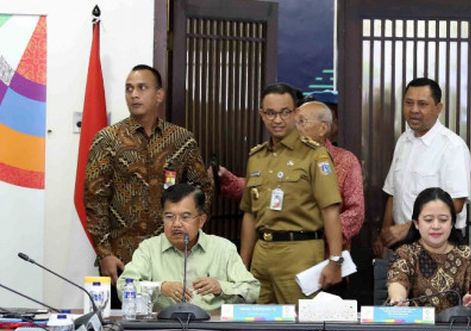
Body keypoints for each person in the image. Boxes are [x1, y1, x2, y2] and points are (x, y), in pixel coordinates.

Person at [84, 64, 213, 295]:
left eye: (142, 88)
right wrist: (105, 254)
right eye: (129, 89)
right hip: (122, 259)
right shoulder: (107, 140)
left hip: (171, 255)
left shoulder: (181, 140)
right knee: (123, 326)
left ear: (159, 95)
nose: (134, 94)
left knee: (172, 324)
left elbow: (201, 193)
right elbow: (95, 200)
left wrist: (190, 242)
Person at [239, 82, 344, 304]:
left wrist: (335, 260)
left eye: (285, 112)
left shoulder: (315, 155)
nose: (277, 120)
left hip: (300, 254)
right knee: (257, 328)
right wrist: (242, 264)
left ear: (296, 113)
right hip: (262, 254)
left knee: (301, 328)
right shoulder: (256, 157)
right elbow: (249, 214)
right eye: (270, 113)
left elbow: (331, 210)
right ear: (262, 114)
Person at [117, 184, 259, 312]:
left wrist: (221, 287)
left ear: (201, 220)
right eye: (169, 216)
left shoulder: (223, 249)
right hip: (164, 328)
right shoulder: (149, 249)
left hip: (212, 329)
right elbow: (123, 287)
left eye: (185, 217)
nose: (176, 224)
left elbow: (253, 289)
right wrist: (160, 288)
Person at [373, 77, 471, 255]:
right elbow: (393, 191)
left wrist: (408, 228)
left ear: (438, 108)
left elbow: (456, 203)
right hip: (401, 244)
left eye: (422, 104)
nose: (414, 110)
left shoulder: (452, 146)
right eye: (409, 103)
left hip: (438, 243)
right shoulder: (404, 141)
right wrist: (385, 233)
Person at [386, 187, 471, 315]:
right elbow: (398, 281)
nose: (436, 226)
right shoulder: (406, 253)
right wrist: (398, 298)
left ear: (452, 223)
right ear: (416, 223)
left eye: (443, 220)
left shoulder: (468, 256)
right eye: (428, 220)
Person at [295, 100, 365, 249]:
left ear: (322, 128)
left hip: (328, 253)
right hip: (290, 251)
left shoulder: (345, 161)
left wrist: (321, 230)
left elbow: (356, 213)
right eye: (294, 122)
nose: (295, 127)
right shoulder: (286, 158)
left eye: (302, 122)